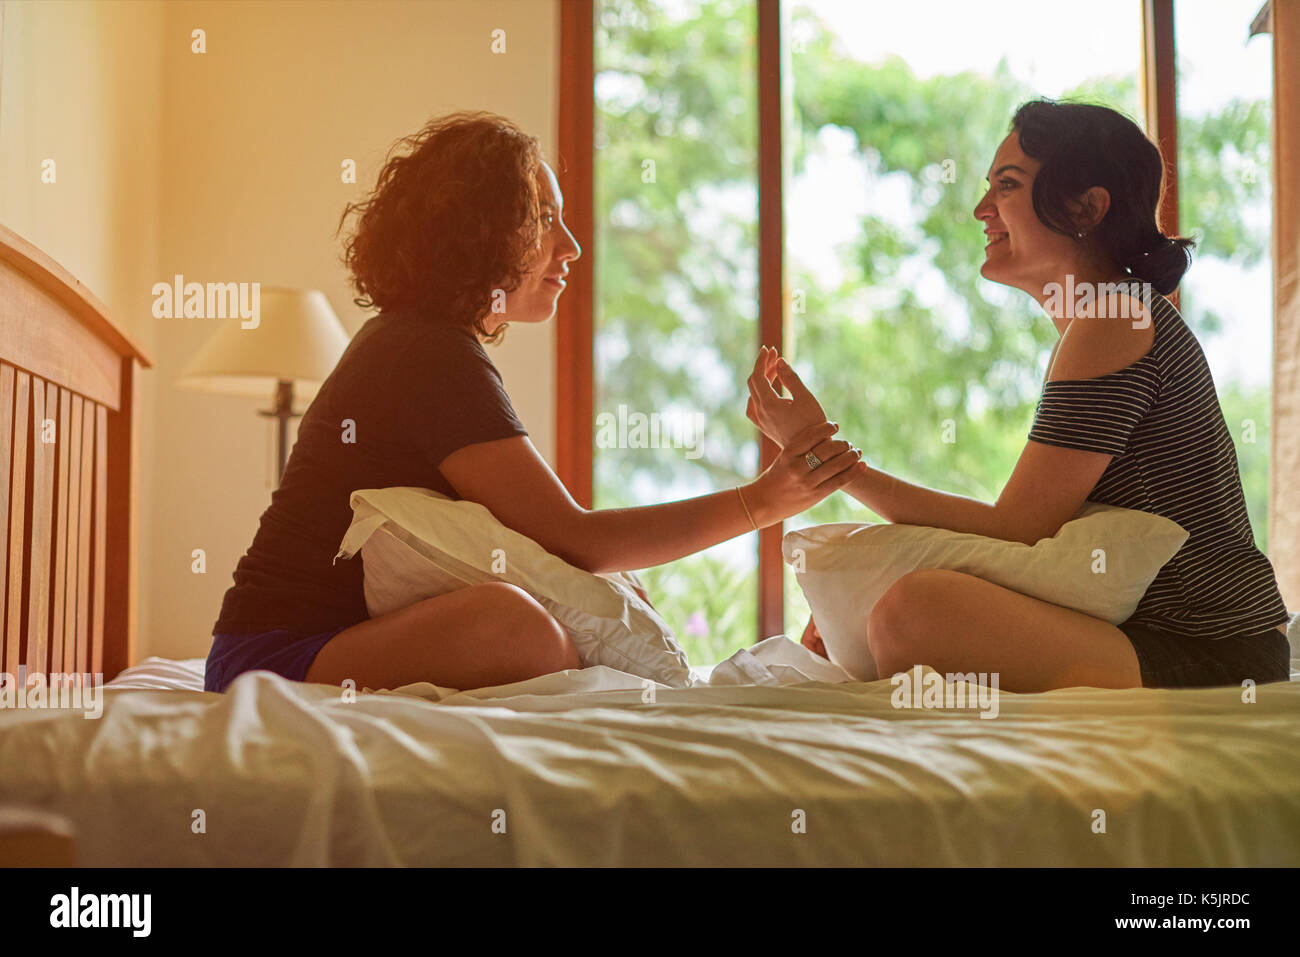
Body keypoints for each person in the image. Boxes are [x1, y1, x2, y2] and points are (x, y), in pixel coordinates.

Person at [205, 110, 867, 694]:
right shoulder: (424, 351)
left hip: (318, 645)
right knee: (523, 630)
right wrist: (762, 501)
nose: (571, 245)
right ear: (479, 229)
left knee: (553, 621)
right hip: (272, 658)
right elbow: (577, 539)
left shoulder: (426, 346)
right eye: (544, 218)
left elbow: (543, 545)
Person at [749, 99, 1291, 692]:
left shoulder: (1114, 316)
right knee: (902, 608)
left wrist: (823, 456)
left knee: (914, 613)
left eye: (1006, 185)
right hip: (1153, 633)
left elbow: (1018, 531)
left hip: (1209, 649)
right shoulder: (1110, 317)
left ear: (1086, 206)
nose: (982, 209)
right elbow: (1035, 542)